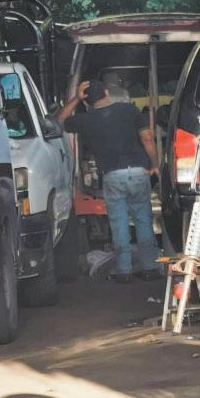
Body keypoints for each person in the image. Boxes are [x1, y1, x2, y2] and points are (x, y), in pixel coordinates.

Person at [57, 79, 161, 283]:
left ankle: (124, 271)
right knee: (143, 220)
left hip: (112, 176)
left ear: (86, 101)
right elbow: (147, 138)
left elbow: (59, 121)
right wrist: (155, 164)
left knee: (119, 223)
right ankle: (150, 268)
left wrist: (75, 98)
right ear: (106, 92)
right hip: (139, 172)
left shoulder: (85, 120)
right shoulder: (129, 110)